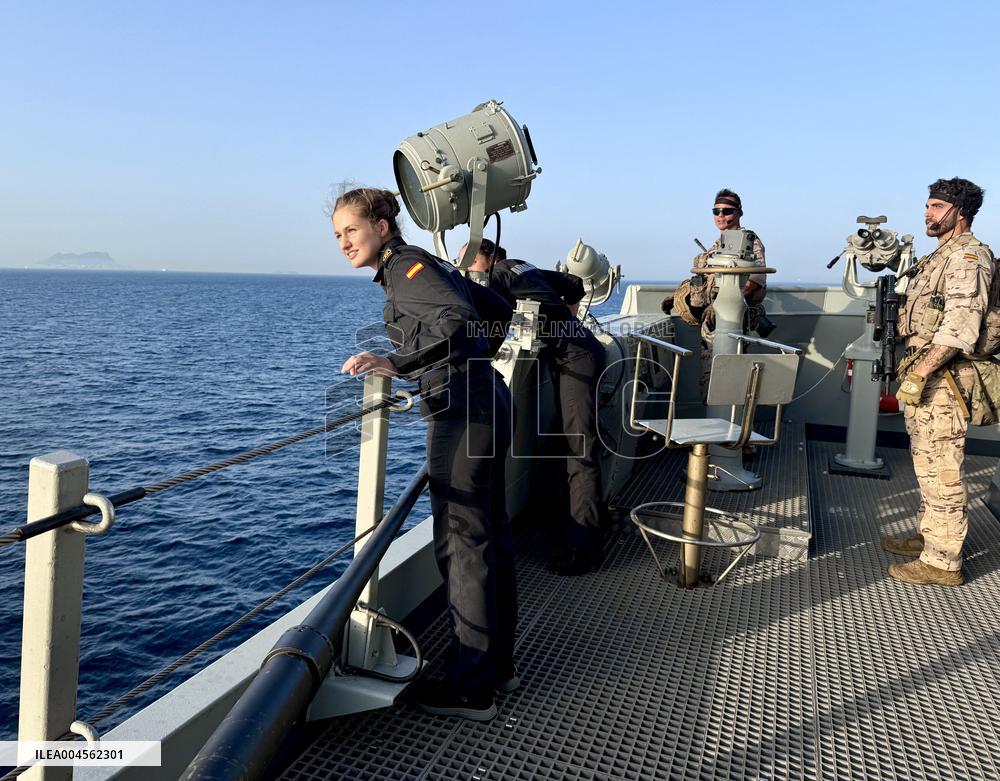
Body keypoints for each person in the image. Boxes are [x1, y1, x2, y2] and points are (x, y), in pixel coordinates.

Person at [334, 188, 517, 719]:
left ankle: (470, 688)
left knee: (463, 547)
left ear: (383, 226)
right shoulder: (423, 265)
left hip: (463, 412)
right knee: (490, 538)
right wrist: (473, 363)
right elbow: (497, 309)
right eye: (338, 235)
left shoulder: (406, 269)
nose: (344, 242)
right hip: (484, 399)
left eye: (352, 230)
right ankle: (496, 667)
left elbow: (459, 322)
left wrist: (401, 361)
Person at [463, 239, 607, 576]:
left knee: (579, 450)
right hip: (581, 350)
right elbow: (573, 284)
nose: (468, 271)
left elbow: (491, 316)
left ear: (488, 258)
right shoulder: (519, 265)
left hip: (576, 358)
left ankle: (584, 550)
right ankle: (575, 526)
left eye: (470, 262)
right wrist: (567, 326)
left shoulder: (498, 276)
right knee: (567, 444)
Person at [885, 177, 995, 586]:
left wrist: (918, 372)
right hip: (930, 375)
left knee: (943, 469)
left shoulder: (968, 257)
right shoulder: (939, 257)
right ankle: (929, 537)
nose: (926, 213)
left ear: (958, 212)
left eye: (934, 206)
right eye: (927, 205)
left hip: (945, 379)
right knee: (926, 463)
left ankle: (943, 562)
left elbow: (959, 329)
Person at [685, 189, 768, 399]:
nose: (720, 216)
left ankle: (727, 423)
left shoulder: (749, 241)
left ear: (739, 213)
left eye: (727, 211)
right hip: (712, 321)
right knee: (709, 377)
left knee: (727, 376)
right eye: (716, 211)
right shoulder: (719, 244)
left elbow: (755, 280)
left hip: (733, 320)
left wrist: (726, 302)